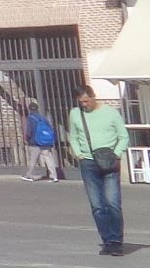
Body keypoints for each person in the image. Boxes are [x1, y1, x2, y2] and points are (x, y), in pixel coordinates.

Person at [64, 85, 130, 255]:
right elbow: (73, 136)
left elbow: (123, 136)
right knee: (97, 205)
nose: (84, 105)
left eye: (86, 101)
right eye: (81, 102)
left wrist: (116, 154)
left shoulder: (111, 113)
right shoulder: (75, 114)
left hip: (110, 161)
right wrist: (78, 153)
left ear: (93, 97)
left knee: (113, 203)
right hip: (88, 162)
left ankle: (116, 240)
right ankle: (107, 241)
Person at [23, 101, 61, 181]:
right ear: (37, 109)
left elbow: (29, 132)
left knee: (33, 159)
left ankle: (28, 175)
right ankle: (54, 176)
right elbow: (50, 129)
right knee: (49, 158)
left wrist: (26, 139)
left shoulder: (30, 118)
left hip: (35, 142)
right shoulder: (43, 118)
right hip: (45, 142)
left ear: (29, 109)